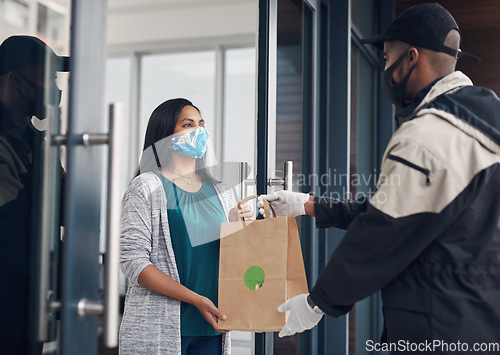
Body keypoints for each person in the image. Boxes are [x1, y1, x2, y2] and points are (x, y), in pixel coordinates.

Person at [258, 3, 500, 352]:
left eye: (388, 58)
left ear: (411, 58)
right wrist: (308, 204)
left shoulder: (429, 134)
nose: (385, 68)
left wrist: (317, 303)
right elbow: (406, 215)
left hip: (440, 328)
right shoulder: (482, 124)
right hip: (480, 321)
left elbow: (382, 229)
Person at [119, 98, 253, 355]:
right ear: (166, 134)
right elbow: (133, 261)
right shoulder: (147, 187)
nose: (199, 131)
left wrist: (238, 225)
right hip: (158, 329)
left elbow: (230, 258)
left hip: (212, 328)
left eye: (201, 124)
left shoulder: (221, 190)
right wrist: (195, 299)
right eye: (188, 124)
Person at [0, 35, 69, 355]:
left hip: (30, 306)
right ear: (15, 80)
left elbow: (67, 205)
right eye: (47, 77)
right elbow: (13, 228)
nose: (55, 88)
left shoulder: (37, 142)